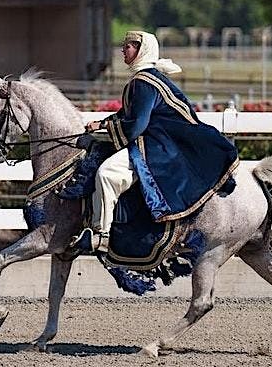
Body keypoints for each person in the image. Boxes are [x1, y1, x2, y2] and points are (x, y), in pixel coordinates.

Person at [72, 30, 239, 253]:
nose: (123, 50)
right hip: (162, 141)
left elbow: (137, 124)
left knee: (107, 174)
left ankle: (100, 235)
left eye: (129, 46)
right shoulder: (148, 78)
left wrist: (110, 128)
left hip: (159, 146)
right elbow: (129, 114)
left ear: (142, 51)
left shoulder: (143, 82)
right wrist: (103, 124)